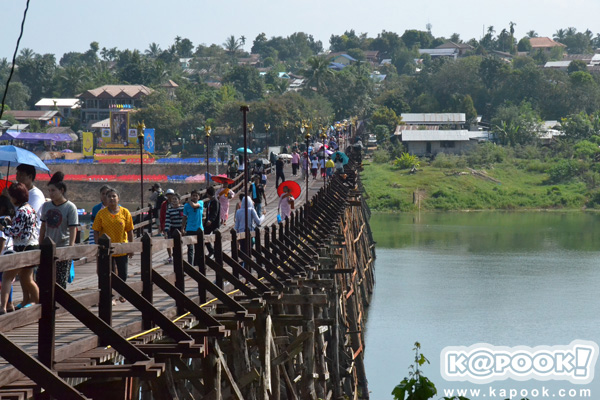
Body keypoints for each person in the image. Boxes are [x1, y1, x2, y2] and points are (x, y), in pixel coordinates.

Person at [0, 183, 39, 312]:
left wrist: (4, 227)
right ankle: (36, 301)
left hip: (22, 248)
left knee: (6, 277)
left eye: (11, 196)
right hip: (31, 246)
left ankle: (3, 307)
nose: (10, 199)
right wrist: (11, 222)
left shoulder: (21, 211)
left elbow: (14, 232)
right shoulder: (30, 209)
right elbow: (22, 227)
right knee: (27, 279)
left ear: (16, 197)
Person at [92, 188, 134, 302]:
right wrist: (97, 244)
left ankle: (122, 293)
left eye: (114, 196)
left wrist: (131, 247)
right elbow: (96, 230)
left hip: (122, 248)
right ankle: (110, 295)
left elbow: (130, 230)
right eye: (109, 196)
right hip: (106, 249)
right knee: (108, 273)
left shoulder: (125, 212)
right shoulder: (101, 213)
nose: (111, 198)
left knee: (123, 273)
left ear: (118, 198)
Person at [38, 172, 79, 289]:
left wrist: (70, 247)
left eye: (53, 191)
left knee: (60, 281)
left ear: (61, 190)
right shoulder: (46, 206)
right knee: (42, 279)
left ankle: (58, 305)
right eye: (49, 191)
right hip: (47, 247)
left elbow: (72, 229)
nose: (50, 194)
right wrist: (40, 243)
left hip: (62, 247)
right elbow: (43, 227)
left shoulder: (70, 207)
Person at [16, 164, 44, 233]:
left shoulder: (35, 195)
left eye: (21, 175)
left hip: (31, 235)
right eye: (17, 174)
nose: (18, 178)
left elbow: (27, 215)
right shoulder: (19, 193)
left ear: (30, 177)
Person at [0, 195, 15, 313]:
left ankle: (4, 305)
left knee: (4, 280)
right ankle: (9, 303)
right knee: (8, 280)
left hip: (3, 255)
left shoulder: (1, 220)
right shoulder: (10, 219)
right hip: (10, 252)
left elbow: (2, 239)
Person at [182, 190, 203, 265]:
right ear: (191, 196)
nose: (194, 197)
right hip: (190, 229)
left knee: (198, 248)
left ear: (199, 197)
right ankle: (190, 264)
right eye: (193, 195)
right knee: (190, 248)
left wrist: (188, 201)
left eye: (196, 196)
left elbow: (194, 206)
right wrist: (182, 228)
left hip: (199, 229)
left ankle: (196, 264)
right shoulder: (186, 206)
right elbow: (184, 217)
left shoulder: (200, 203)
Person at [203, 186, 220, 258]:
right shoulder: (210, 201)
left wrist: (211, 220)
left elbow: (215, 213)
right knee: (204, 235)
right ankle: (211, 250)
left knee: (216, 237)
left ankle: (216, 253)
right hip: (208, 222)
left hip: (214, 223)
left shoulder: (215, 201)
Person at [160, 189, 175, 263]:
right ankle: (170, 256)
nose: (169, 196)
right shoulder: (164, 204)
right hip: (166, 225)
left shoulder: (175, 203)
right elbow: (162, 215)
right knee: (167, 240)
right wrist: (162, 226)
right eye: (168, 195)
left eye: (171, 195)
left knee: (175, 240)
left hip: (175, 224)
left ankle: (175, 254)